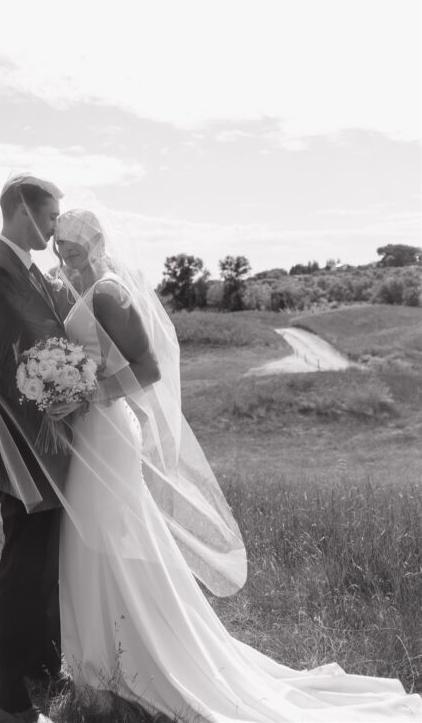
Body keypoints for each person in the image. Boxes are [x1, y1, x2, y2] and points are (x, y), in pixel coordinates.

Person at [52, 207, 422, 723]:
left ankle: (137, 659)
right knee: (91, 537)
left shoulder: (110, 292)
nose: (63, 255)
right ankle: (99, 664)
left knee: (114, 533)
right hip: (93, 432)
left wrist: (88, 391)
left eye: (70, 247)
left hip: (109, 429)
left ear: (94, 244)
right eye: (58, 247)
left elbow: (149, 367)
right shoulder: (83, 290)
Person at [0, 175, 74, 723]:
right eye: (51, 216)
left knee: (42, 569)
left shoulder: (24, 268)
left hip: (44, 439)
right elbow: (4, 368)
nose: (55, 228)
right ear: (24, 212)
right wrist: (68, 393)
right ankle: (9, 707)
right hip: (24, 445)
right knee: (24, 574)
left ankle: (41, 681)